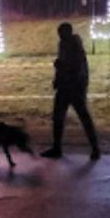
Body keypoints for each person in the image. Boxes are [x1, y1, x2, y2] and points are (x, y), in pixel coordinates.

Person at [41, 23, 101, 160]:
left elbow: (75, 67)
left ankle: (94, 148)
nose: (60, 36)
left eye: (61, 33)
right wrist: (58, 77)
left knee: (81, 116)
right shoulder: (65, 44)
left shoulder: (74, 46)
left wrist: (61, 68)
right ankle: (58, 147)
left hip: (74, 86)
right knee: (61, 117)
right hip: (66, 85)